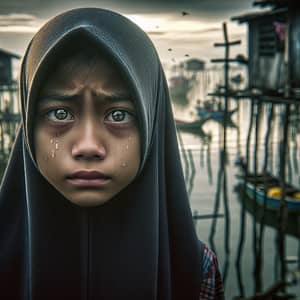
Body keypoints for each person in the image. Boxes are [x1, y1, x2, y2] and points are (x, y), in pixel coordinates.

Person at [0, 8, 224, 300]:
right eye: (60, 113)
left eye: (118, 115)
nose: (89, 146)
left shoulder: (196, 272)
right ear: (29, 125)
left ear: (151, 121)